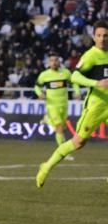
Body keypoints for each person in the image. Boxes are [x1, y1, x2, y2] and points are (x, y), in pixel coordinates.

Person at [37, 20, 108, 188]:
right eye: (99, 35)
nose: (103, 38)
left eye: (105, 35)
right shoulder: (91, 55)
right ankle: (46, 166)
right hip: (96, 106)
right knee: (78, 143)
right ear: (93, 37)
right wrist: (96, 83)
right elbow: (75, 77)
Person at [34, 52, 80, 153]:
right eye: (51, 60)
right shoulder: (44, 75)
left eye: (55, 60)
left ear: (59, 61)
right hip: (52, 105)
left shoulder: (65, 72)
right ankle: (63, 152)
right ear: (49, 62)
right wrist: (39, 93)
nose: (54, 62)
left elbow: (74, 83)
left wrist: (77, 92)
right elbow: (37, 86)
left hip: (64, 105)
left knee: (62, 130)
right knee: (59, 128)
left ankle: (47, 119)